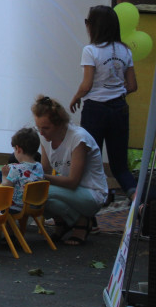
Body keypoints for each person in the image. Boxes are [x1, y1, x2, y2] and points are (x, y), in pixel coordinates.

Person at [68, 5, 138, 199]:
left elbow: (87, 85)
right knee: (120, 167)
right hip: (119, 108)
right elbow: (132, 85)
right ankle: (138, 202)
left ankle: (90, 215)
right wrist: (115, 89)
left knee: (89, 162)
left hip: (95, 111)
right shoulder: (125, 51)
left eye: (87, 22)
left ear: (94, 26)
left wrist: (75, 97)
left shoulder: (91, 50)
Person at [33, 94, 109, 246]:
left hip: (92, 193)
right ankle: (69, 222)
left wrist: (40, 177)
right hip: (72, 192)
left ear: (60, 124)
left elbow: (73, 181)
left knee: (40, 192)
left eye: (46, 128)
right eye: (38, 127)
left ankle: (81, 223)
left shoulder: (79, 138)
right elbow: (44, 169)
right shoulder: (45, 138)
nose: (41, 133)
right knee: (36, 192)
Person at [2, 127, 44, 212]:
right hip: (36, 206)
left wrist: (4, 176)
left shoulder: (15, 169)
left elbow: (5, 188)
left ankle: (7, 225)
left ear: (18, 149)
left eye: (14, 149)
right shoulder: (39, 166)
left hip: (18, 207)